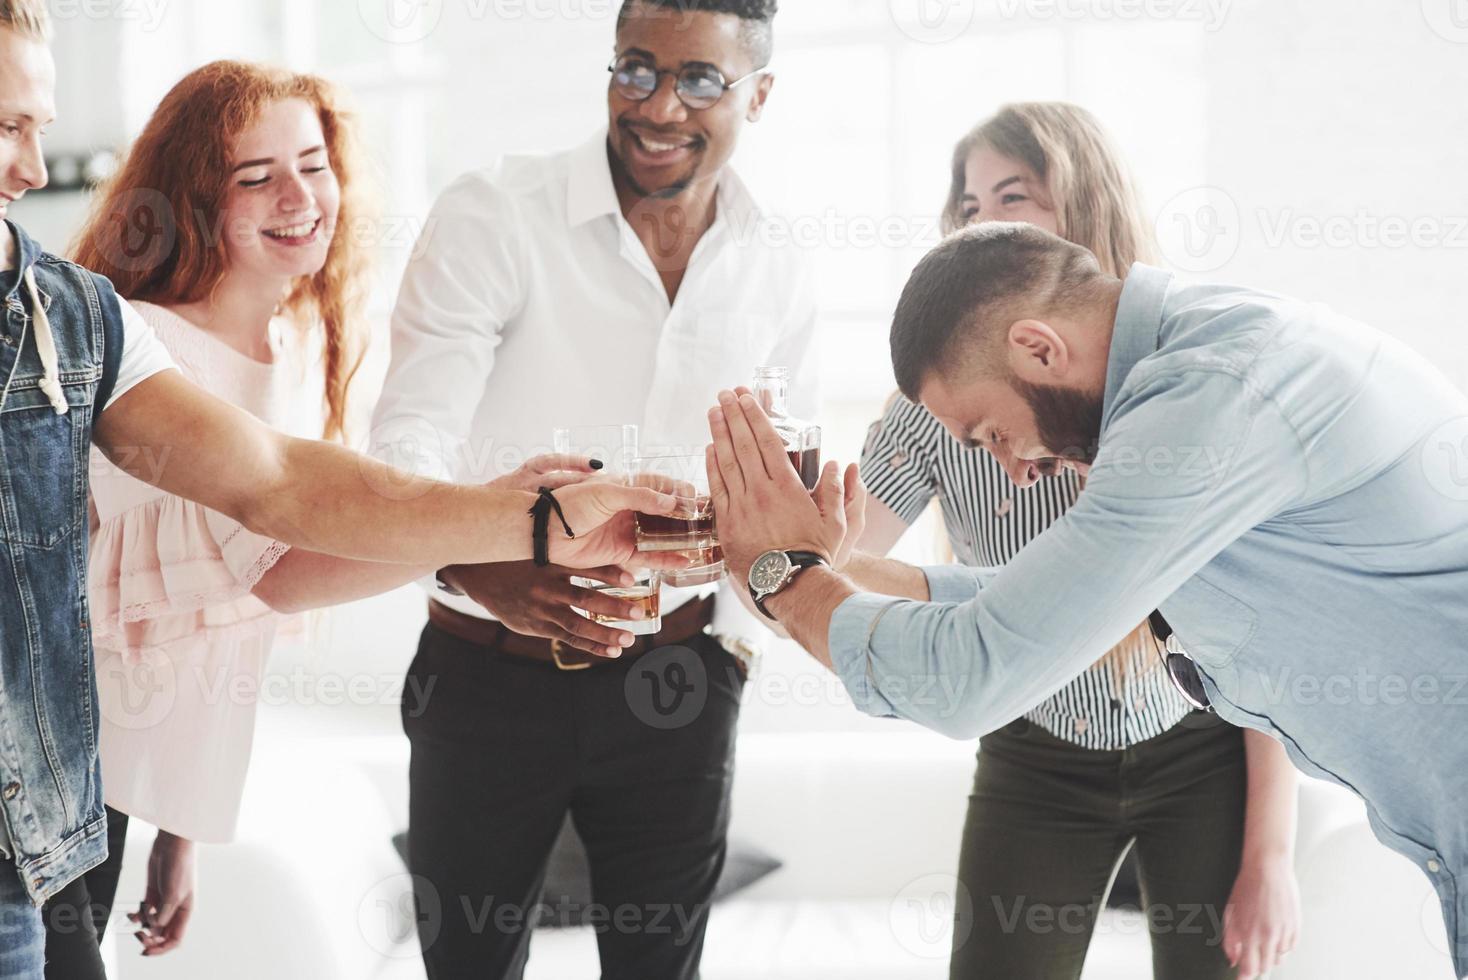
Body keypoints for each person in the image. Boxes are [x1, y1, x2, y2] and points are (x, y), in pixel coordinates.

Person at [0, 5, 678, 976]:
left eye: (313, 164)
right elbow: (266, 558)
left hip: (81, 790)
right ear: (193, 197)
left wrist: (180, 825)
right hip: (67, 775)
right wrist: (511, 525)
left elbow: (224, 594)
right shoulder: (151, 346)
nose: (298, 194)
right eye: (255, 175)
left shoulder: (253, 344)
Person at [705, 220, 1468, 979]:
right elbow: (1046, 605)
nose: (1013, 472)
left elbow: (974, 677)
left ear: (1038, 347)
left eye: (990, 434)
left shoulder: (1211, 395)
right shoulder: (1198, 362)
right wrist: (837, 570)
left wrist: (783, 574)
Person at [368, 0, 816, 975]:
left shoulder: (775, 258)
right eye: (634, 68)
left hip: (679, 680)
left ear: (760, 92)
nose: (657, 104)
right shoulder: (496, 211)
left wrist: (733, 653)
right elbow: (406, 445)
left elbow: (779, 475)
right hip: (484, 672)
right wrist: (482, 568)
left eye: (700, 79)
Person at [857, 103, 1298, 979]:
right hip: (1034, 752)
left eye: (1010, 195)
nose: (982, 223)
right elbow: (833, 552)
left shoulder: (1185, 385)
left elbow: (1264, 630)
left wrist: (1271, 858)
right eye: (970, 206)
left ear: (1082, 205)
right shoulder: (935, 404)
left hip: (1200, 743)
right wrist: (756, 536)